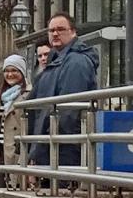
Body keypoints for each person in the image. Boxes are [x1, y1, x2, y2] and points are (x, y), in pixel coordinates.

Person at [29, 12, 99, 167]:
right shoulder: (56, 62)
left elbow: (68, 110)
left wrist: (47, 143)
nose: (55, 33)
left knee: (59, 189)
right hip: (51, 145)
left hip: (62, 149)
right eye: (51, 30)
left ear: (73, 32)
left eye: (60, 29)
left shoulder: (76, 62)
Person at [0, 54, 32, 187]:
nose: (10, 74)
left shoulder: (29, 95)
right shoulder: (1, 98)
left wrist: (28, 157)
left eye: (14, 70)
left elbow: (31, 128)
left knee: (15, 189)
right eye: (6, 71)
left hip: (16, 154)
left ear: (22, 72)